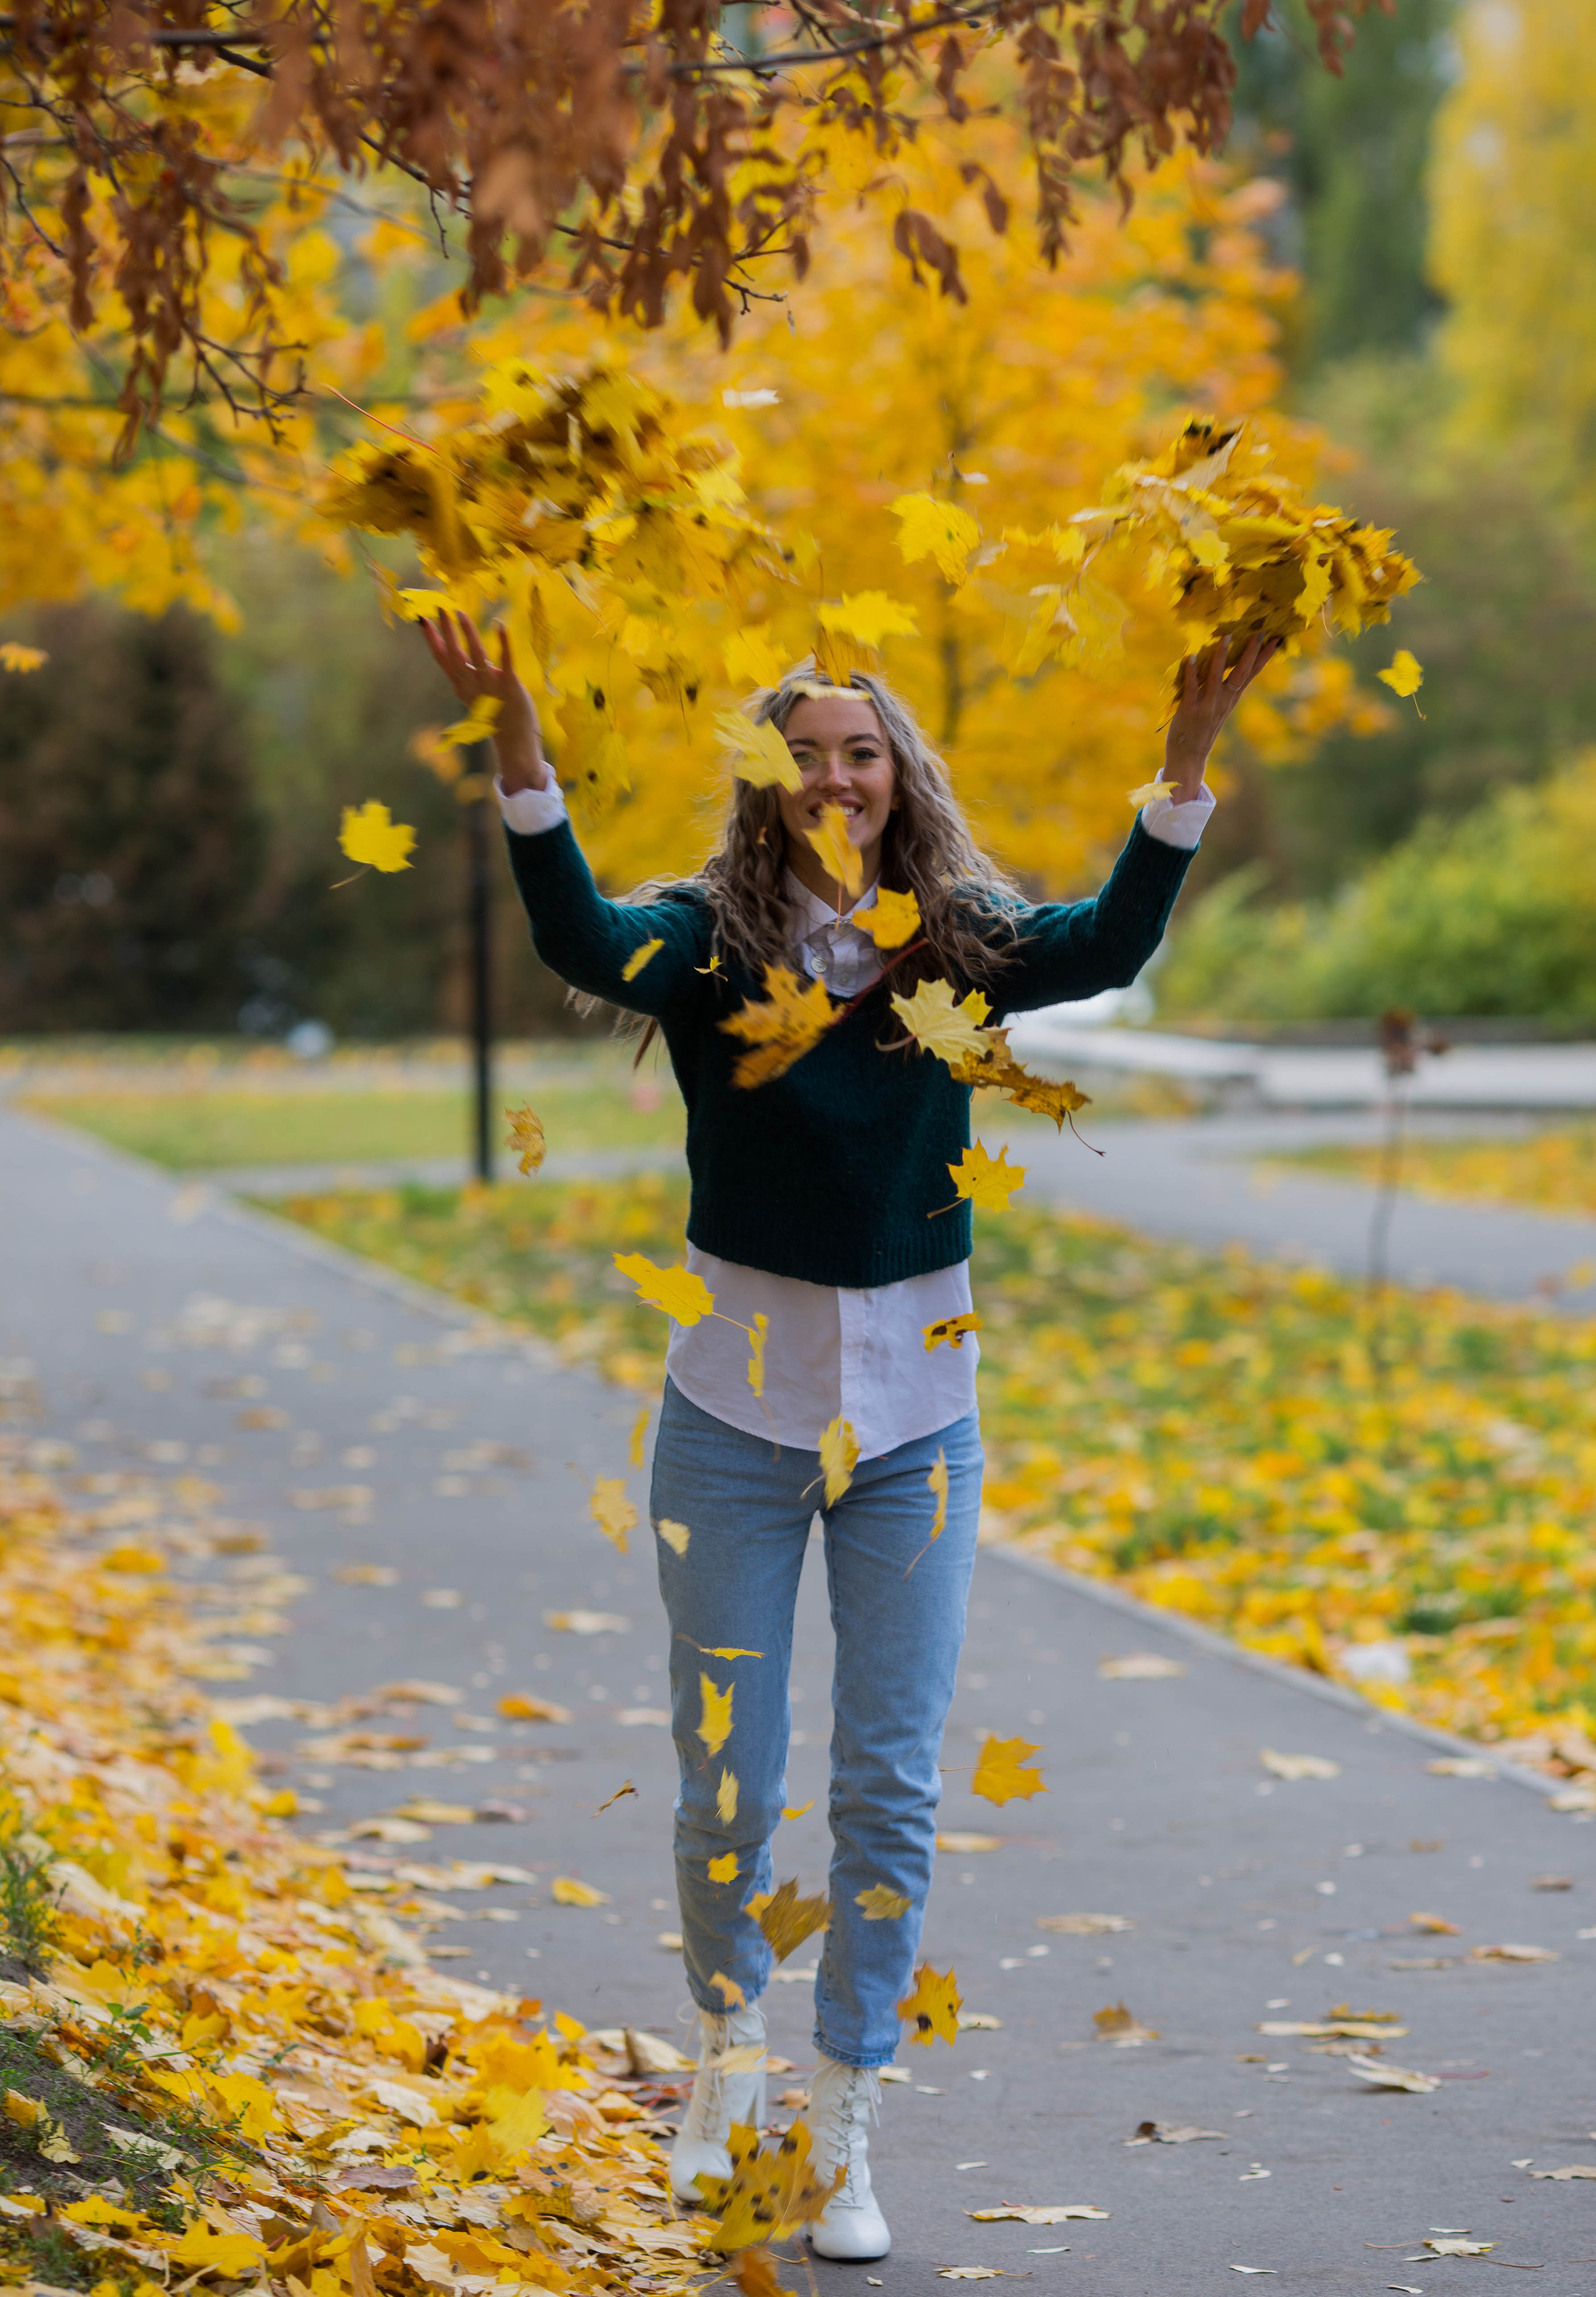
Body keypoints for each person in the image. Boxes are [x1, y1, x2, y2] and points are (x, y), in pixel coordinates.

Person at [421, 612, 1276, 2259]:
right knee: (727, 1787)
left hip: (918, 1436)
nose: (834, 775)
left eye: (860, 752)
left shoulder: (956, 941)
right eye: (803, 752)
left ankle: (846, 2111)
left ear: (898, 778)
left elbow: (1105, 946)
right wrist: (520, 750)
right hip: (731, 1427)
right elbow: (580, 938)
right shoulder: (705, 948)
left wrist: (1184, 760)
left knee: (887, 1789)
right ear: (765, 777)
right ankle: (728, 2066)